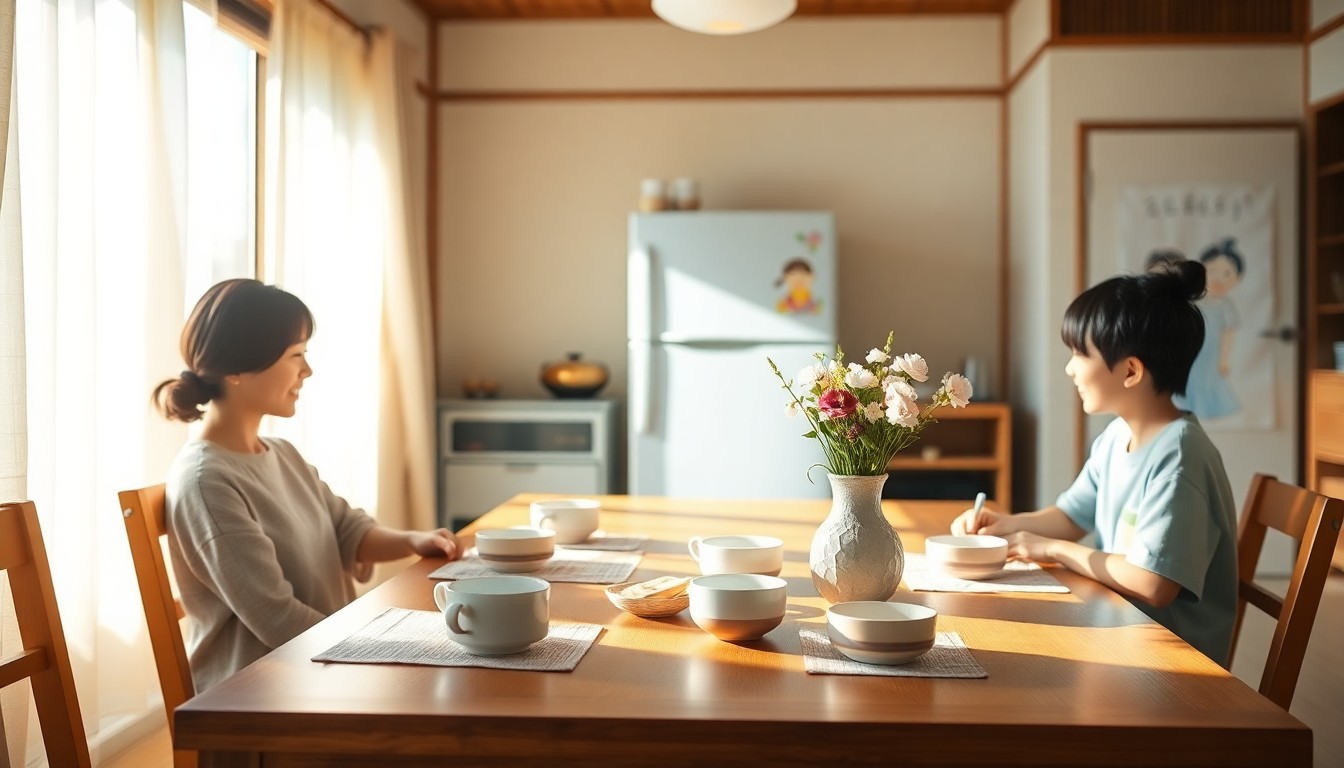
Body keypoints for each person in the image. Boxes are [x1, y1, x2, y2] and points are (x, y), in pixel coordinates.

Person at [152, 278, 461, 692]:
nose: (307, 370)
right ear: (238, 369)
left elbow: (347, 530)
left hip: (324, 668)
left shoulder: (281, 454)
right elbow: (278, 619)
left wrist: (412, 540)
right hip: (263, 695)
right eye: (296, 355)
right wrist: (387, 647)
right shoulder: (206, 482)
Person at [951, 261, 1239, 666]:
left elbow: (1153, 584)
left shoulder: (1180, 457)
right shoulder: (1117, 438)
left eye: (1079, 354)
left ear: (1131, 371)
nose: (1070, 368)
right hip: (1125, 633)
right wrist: (1007, 525)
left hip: (1172, 663)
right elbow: (1072, 515)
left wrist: (1053, 549)